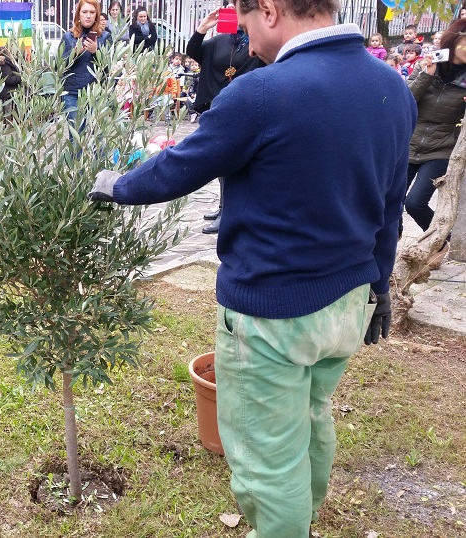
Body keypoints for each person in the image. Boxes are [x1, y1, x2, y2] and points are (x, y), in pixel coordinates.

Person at [88, 0, 415, 534]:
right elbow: (389, 203)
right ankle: (304, 515)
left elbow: (182, 165)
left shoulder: (262, 93)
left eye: (244, 28)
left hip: (273, 313)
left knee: (268, 458)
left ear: (269, 10)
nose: (246, 45)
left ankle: (288, 526)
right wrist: (381, 286)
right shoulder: (392, 87)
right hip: (348, 303)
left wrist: (116, 185)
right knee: (311, 413)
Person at [185, 4, 264, 234]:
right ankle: (223, 208)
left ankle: (230, 212)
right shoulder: (220, 40)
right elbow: (193, 51)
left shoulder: (255, 40)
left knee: (233, 163)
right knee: (221, 162)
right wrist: (203, 27)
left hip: (243, 105)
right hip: (218, 105)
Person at [403, 18, 466, 264]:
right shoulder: (428, 65)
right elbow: (404, 101)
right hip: (409, 144)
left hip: (440, 149)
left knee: (415, 203)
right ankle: (392, 241)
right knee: (390, 200)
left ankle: (440, 243)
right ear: (455, 38)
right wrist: (425, 77)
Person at [59, 0, 112, 124]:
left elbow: (109, 67)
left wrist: (96, 51)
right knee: (76, 135)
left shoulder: (105, 37)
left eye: (92, 12)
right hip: (72, 93)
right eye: (85, 12)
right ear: (78, 15)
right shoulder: (68, 36)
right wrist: (74, 53)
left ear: (97, 15)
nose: (88, 15)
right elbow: (59, 65)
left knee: (95, 136)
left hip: (95, 93)